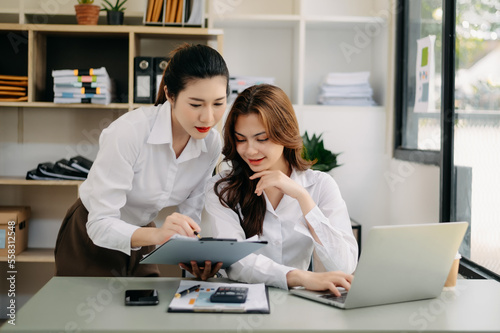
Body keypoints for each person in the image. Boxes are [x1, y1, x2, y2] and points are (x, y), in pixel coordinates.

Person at [55, 44, 228, 279]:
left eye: (218, 103)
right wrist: (160, 237)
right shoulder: (129, 133)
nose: (208, 117)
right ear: (170, 94)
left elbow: (191, 214)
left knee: (147, 310)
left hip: (144, 233)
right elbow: (101, 224)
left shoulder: (211, 144)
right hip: (91, 233)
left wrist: (193, 252)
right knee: (94, 313)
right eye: (196, 104)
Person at [204, 84, 358, 296]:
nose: (249, 150)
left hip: (297, 305)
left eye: (262, 138)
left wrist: (303, 198)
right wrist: (300, 277)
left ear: (284, 132)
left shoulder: (321, 185)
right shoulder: (222, 189)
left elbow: (343, 266)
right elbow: (237, 262)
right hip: (241, 299)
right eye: (241, 139)